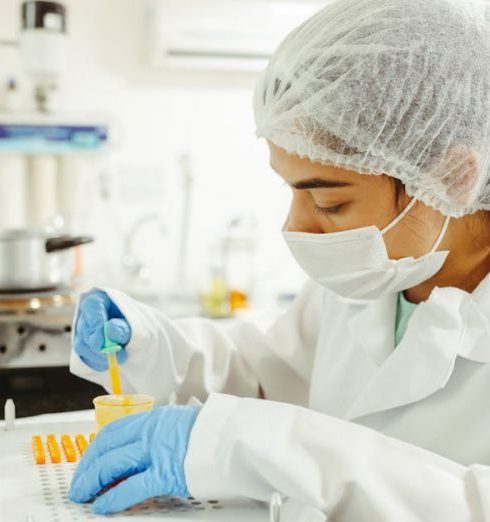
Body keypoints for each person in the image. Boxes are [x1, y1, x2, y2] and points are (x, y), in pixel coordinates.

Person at [68, 0, 490, 519]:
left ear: (452, 178)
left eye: (330, 202)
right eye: (292, 192)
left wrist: (254, 445)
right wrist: (157, 346)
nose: (297, 226)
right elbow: (277, 376)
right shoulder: (370, 277)